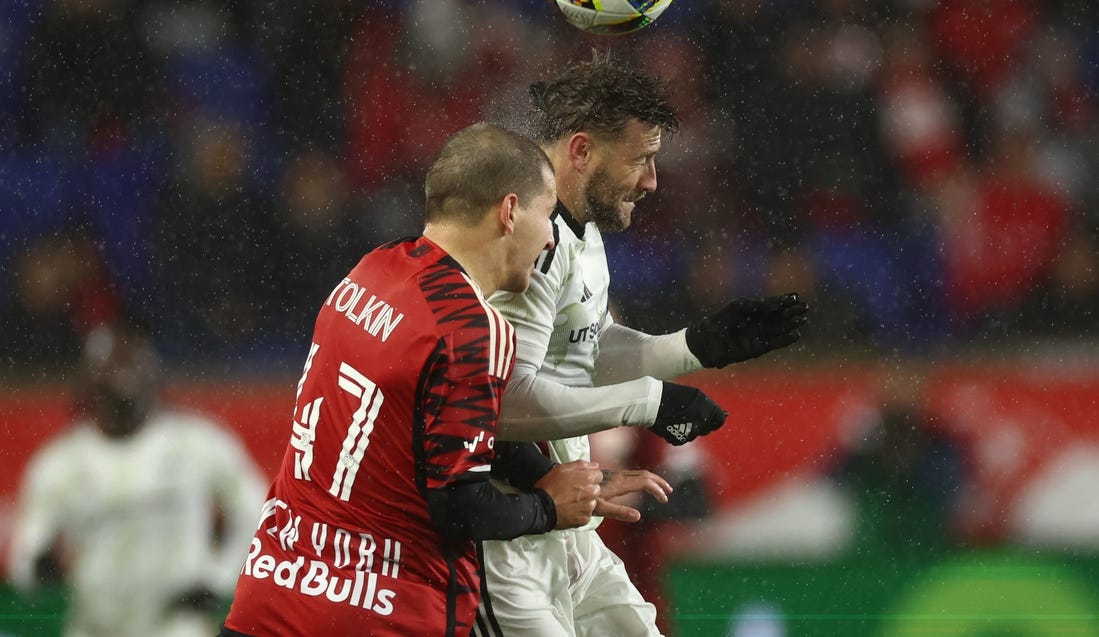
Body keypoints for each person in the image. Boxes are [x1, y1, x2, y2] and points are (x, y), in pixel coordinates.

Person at [219, 123, 672, 637]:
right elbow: (458, 504)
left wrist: (554, 477)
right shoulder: (471, 329)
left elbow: (420, 434)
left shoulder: (367, 273)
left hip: (274, 594)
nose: (550, 237)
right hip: (379, 611)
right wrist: (548, 508)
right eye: (546, 215)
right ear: (508, 213)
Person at [477, 52, 810, 637]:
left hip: (570, 527)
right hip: (507, 536)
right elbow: (503, 402)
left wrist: (694, 347)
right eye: (641, 160)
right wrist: (648, 402)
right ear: (581, 151)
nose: (653, 181)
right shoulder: (531, 242)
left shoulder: (584, 234)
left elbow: (585, 348)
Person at [6, 320, 268, 637]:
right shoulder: (59, 464)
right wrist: (43, 567)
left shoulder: (197, 443)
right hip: (94, 627)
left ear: (153, 370)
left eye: (132, 360)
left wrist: (218, 578)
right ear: (88, 377)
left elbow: (256, 509)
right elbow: (25, 557)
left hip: (176, 626)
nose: (122, 372)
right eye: (109, 363)